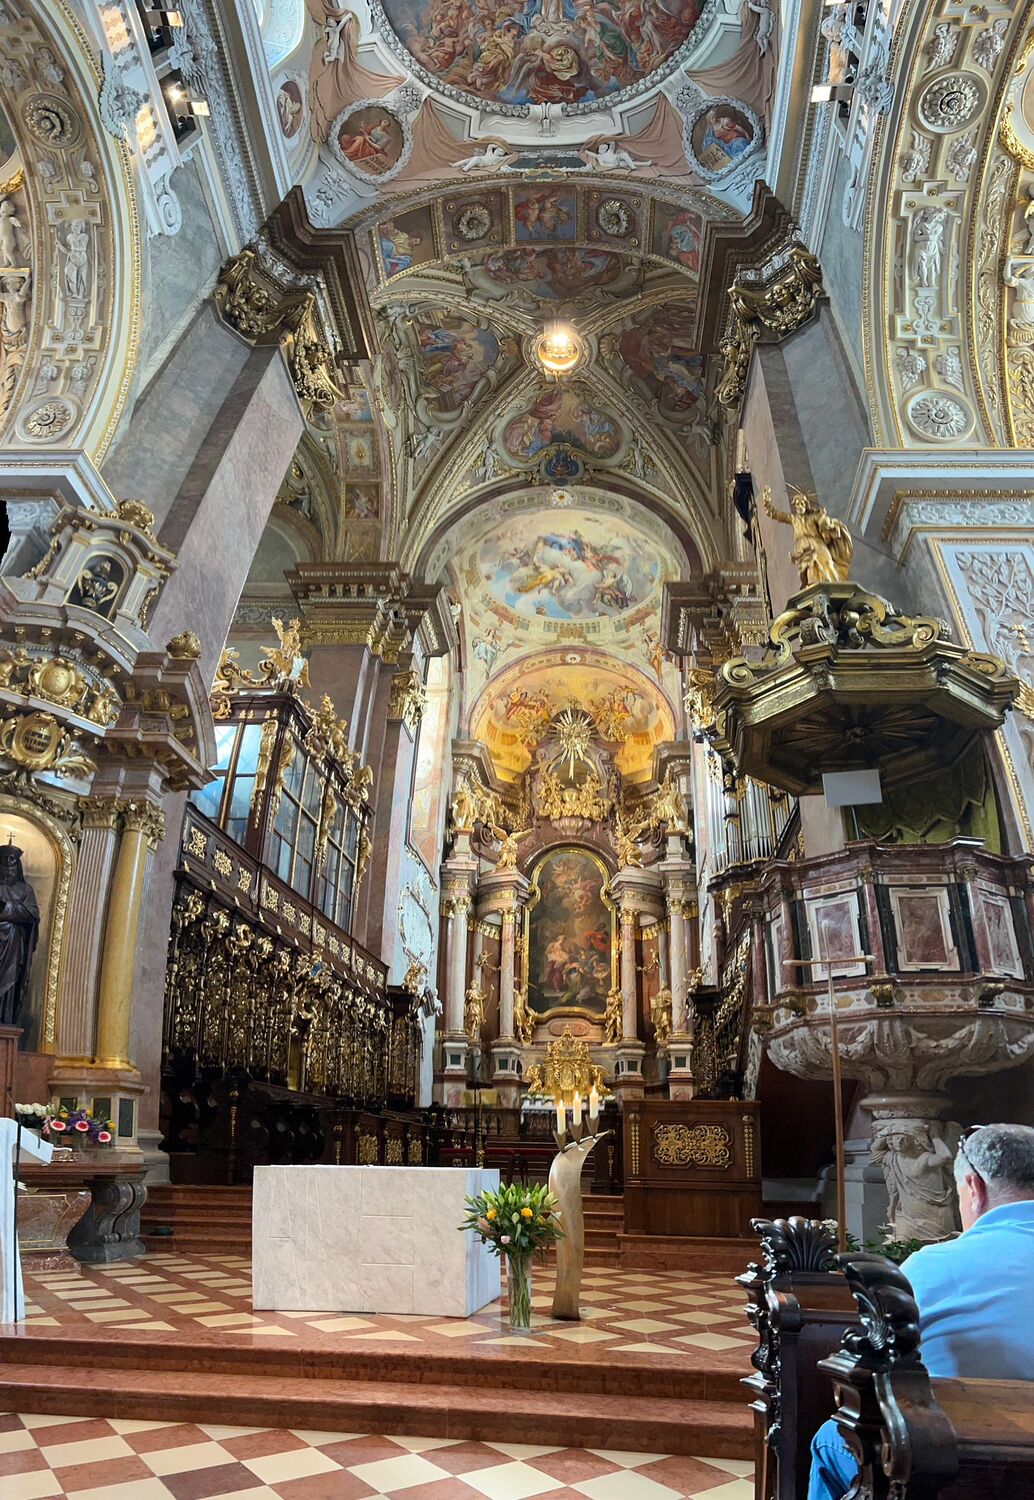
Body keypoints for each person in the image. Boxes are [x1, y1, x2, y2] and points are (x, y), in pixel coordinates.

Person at [808, 1122, 1034, 1500]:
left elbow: (876, 1367)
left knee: (832, 1438)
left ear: (974, 1188)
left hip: (960, 1472)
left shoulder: (932, 1265)